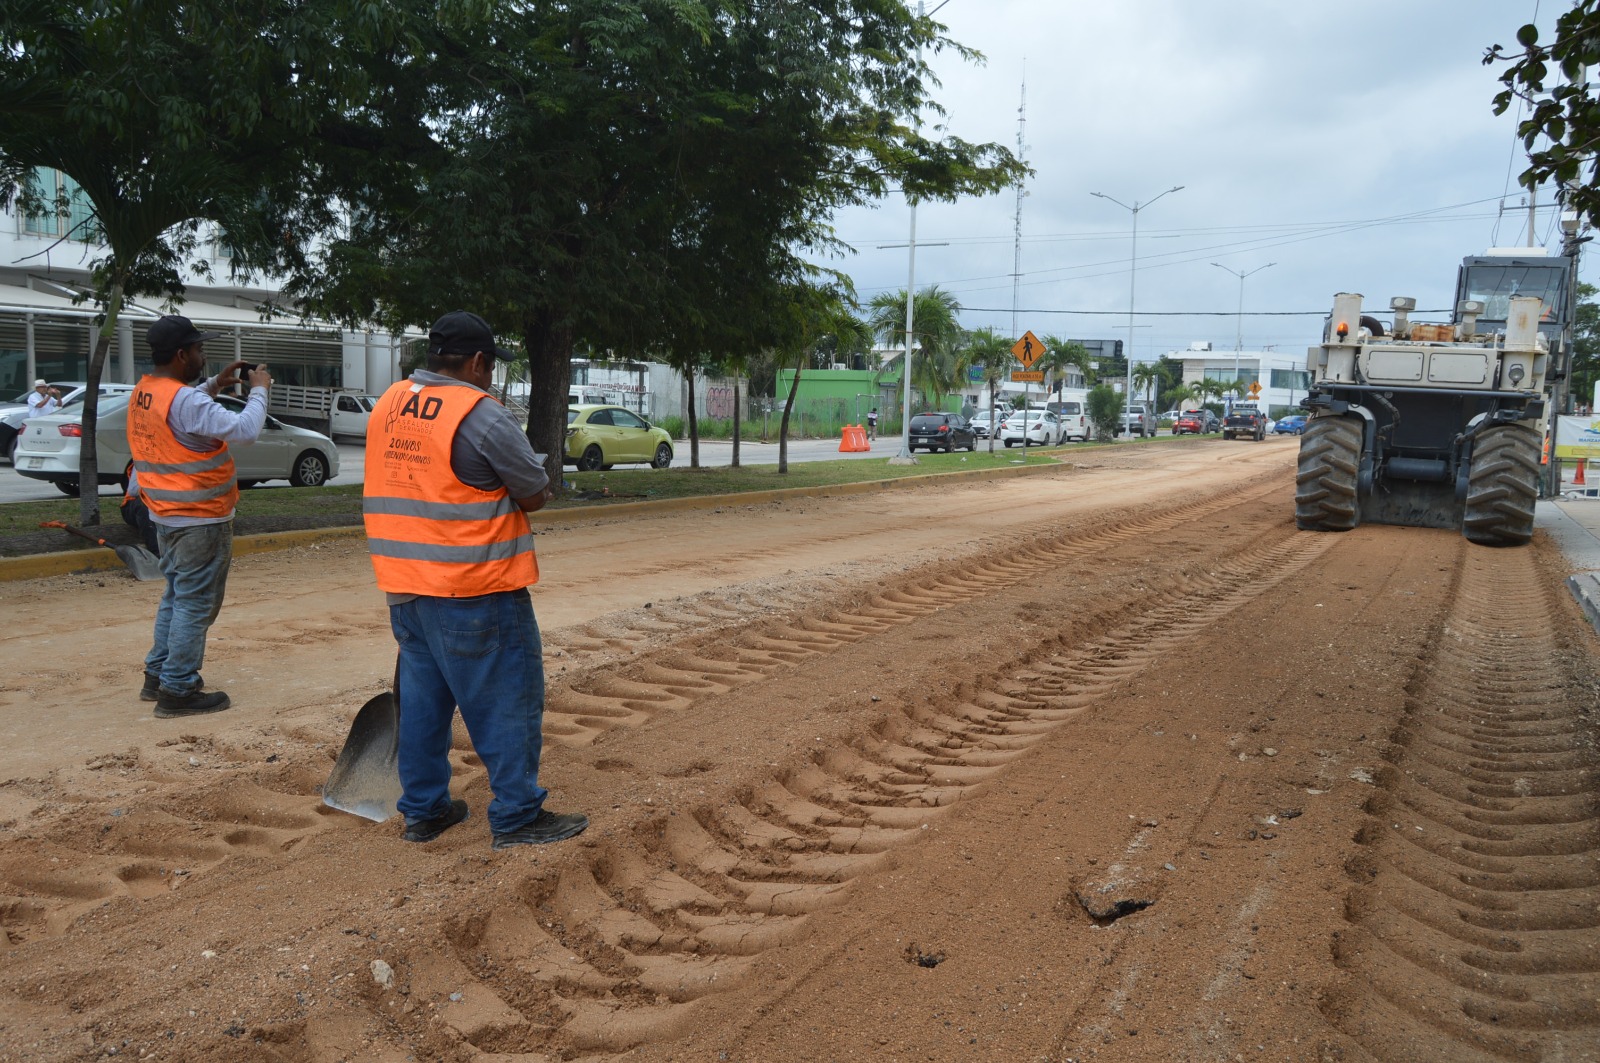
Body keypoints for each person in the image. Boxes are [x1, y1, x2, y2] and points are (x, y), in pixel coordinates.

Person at [363, 309, 587, 850]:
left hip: (406, 591)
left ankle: (424, 811)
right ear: (478, 362)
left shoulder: (388, 404)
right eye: (490, 367)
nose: (490, 377)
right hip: (474, 588)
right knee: (507, 700)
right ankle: (516, 815)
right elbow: (535, 489)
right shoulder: (480, 415)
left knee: (421, 706)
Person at [130, 315, 271, 718]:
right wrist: (258, 391)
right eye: (198, 350)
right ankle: (178, 688)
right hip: (200, 519)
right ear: (181, 355)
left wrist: (215, 384)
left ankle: (156, 675)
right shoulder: (187, 401)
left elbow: (184, 416)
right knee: (195, 604)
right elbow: (244, 430)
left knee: (176, 596)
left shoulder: (146, 391)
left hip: (166, 516)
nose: (202, 355)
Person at [120, 464, 160, 557]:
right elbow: (133, 490)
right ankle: (156, 553)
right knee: (143, 505)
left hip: (163, 505)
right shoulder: (143, 461)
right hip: (134, 506)